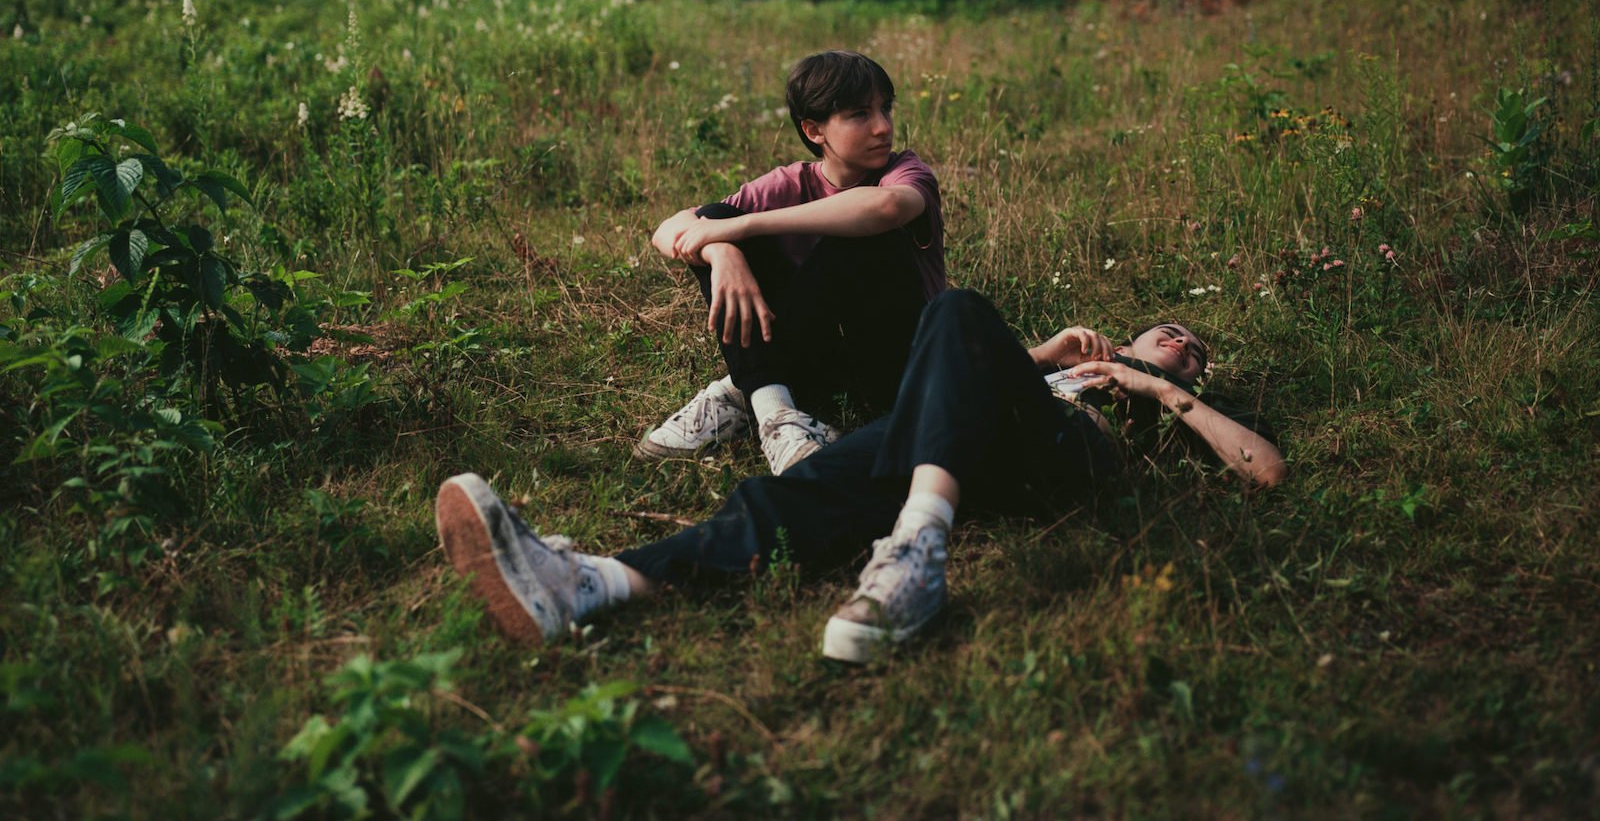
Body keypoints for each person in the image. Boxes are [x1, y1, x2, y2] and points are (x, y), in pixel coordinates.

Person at [436, 289, 1285, 664]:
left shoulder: (1161, 401)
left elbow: (1266, 471)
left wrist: (1159, 389)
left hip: (1064, 457)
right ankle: (591, 583)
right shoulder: (1071, 365)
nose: (1179, 336)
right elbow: (958, 380)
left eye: (1193, 344)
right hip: (963, 448)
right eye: (1166, 329)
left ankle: (917, 551)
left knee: (953, 309)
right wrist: (1049, 355)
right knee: (805, 489)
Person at [635, 50, 944, 474]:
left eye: (885, 108)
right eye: (859, 114)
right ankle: (775, 414)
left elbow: (887, 209)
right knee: (716, 217)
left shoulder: (906, 172)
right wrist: (721, 250)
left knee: (848, 237)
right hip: (820, 365)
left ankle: (742, 391)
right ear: (814, 130)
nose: (882, 126)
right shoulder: (792, 182)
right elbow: (668, 230)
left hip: (899, 364)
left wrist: (743, 229)